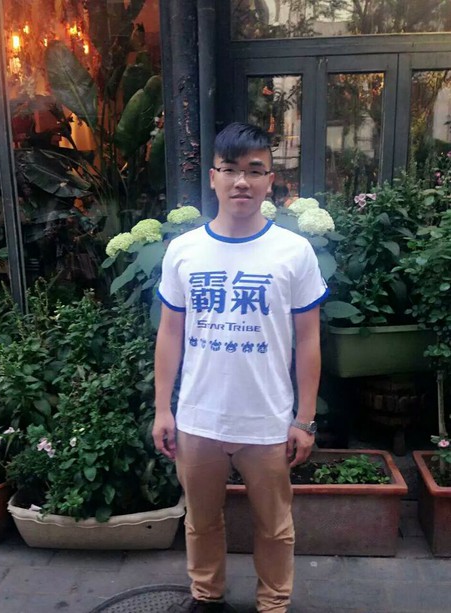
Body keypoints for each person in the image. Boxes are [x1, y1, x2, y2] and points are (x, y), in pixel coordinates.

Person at [153, 122, 328, 613]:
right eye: (230, 170)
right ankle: (206, 597)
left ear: (270, 180)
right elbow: (169, 333)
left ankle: (273, 604)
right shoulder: (184, 250)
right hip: (198, 417)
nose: (241, 182)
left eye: (255, 171)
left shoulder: (293, 252)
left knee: (275, 526)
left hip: (266, 420)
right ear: (213, 178)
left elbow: (308, 339)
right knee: (201, 520)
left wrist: (304, 418)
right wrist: (163, 408)